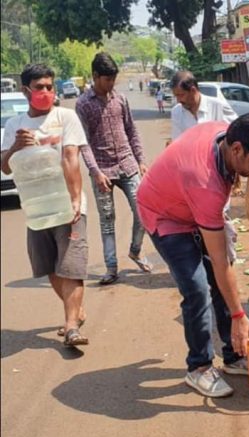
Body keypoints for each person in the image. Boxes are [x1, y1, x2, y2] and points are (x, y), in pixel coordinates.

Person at [136, 114, 249, 397]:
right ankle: (199, 367)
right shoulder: (205, 184)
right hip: (164, 215)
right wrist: (240, 315)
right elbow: (219, 260)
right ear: (237, 149)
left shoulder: (222, 133)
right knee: (198, 290)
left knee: (221, 282)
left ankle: (233, 355)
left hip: (190, 204)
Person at [0, 64, 92, 346]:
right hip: (37, 210)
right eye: (39, 87)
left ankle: (72, 326)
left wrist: (75, 199)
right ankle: (75, 312)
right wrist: (16, 147)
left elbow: (70, 157)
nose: (46, 92)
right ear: (25, 90)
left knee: (71, 266)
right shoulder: (15, 125)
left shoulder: (65, 117)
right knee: (50, 268)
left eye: (49, 87)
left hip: (67, 204)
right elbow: (4, 168)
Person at [76, 52, 152, 285]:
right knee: (107, 220)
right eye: (106, 80)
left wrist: (140, 159)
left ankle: (135, 250)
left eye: (113, 80)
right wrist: (95, 172)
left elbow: (131, 130)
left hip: (127, 164)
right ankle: (111, 267)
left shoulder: (120, 99)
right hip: (102, 171)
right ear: (95, 76)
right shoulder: (83, 105)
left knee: (144, 212)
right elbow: (83, 143)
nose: (110, 85)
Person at [169, 70, 237, 141]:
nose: (178, 100)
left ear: (193, 90)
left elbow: (237, 132)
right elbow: (178, 141)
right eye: (176, 96)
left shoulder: (218, 106)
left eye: (181, 95)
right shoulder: (176, 112)